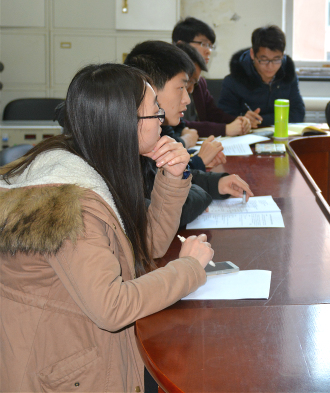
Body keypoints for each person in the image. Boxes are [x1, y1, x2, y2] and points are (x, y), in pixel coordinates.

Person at [0, 63, 213, 392]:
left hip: (75, 349)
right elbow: (113, 307)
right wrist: (187, 269)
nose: (163, 119)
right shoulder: (69, 204)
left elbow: (148, 246)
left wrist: (172, 177)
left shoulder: (88, 162)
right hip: (62, 372)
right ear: (125, 122)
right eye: (154, 110)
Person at [125, 41, 253, 225]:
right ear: (150, 88)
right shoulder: (132, 143)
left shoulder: (150, 132)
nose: (187, 99)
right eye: (181, 88)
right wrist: (200, 193)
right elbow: (170, 210)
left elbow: (174, 173)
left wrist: (216, 183)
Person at [172, 17, 259, 135]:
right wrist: (225, 129)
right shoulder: (168, 81)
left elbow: (213, 114)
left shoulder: (200, 82)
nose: (209, 51)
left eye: (210, 46)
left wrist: (239, 121)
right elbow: (178, 124)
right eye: (203, 44)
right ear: (181, 44)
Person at [218, 25, 305, 125]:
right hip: (247, 134)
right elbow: (224, 118)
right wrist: (243, 119)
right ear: (252, 54)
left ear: (283, 55)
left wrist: (260, 120)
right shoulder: (233, 81)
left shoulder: (288, 77)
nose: (270, 66)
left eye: (276, 59)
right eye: (264, 60)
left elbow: (298, 114)